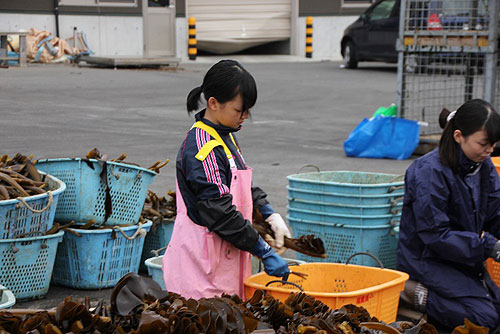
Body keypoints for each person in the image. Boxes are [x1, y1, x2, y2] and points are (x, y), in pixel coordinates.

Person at [162, 59, 292, 299]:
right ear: (213, 103)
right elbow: (219, 211)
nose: (244, 116)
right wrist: (262, 249)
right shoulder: (202, 147)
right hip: (201, 270)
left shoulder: (226, 137)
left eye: (247, 110)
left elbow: (237, 186)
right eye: (239, 110)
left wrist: (268, 212)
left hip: (226, 261)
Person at [397, 99, 500, 330]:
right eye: (484, 143)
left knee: (496, 313)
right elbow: (435, 235)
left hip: (463, 258)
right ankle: (409, 296)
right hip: (427, 260)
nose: (490, 150)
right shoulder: (428, 171)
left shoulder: (482, 165)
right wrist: (487, 246)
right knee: (483, 320)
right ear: (458, 136)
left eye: (493, 144)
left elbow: (495, 213)